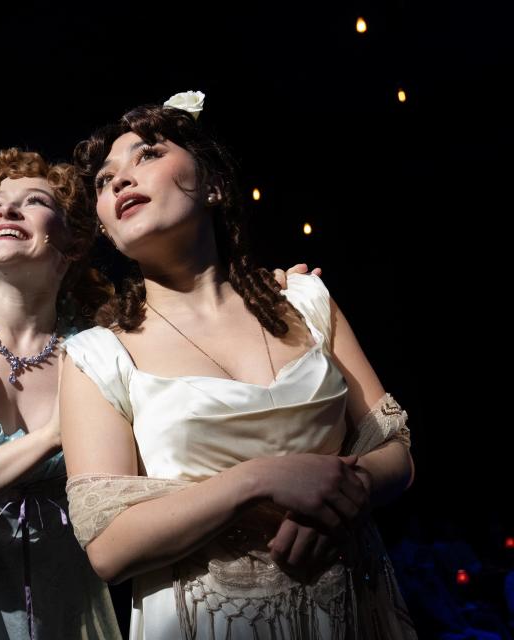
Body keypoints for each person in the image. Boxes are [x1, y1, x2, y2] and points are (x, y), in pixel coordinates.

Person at [0, 146, 314, 639]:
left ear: (72, 243)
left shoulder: (103, 350)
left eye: (33, 201)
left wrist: (265, 302)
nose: (5, 209)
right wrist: (56, 435)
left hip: (68, 614)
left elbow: (197, 391)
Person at [60, 91, 416, 639]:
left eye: (147, 155)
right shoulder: (98, 356)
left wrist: (346, 493)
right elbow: (109, 544)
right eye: (105, 181)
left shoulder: (306, 301)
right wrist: (259, 480)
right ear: (106, 228)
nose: (121, 181)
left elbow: (394, 449)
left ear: (213, 184)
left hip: (347, 608)